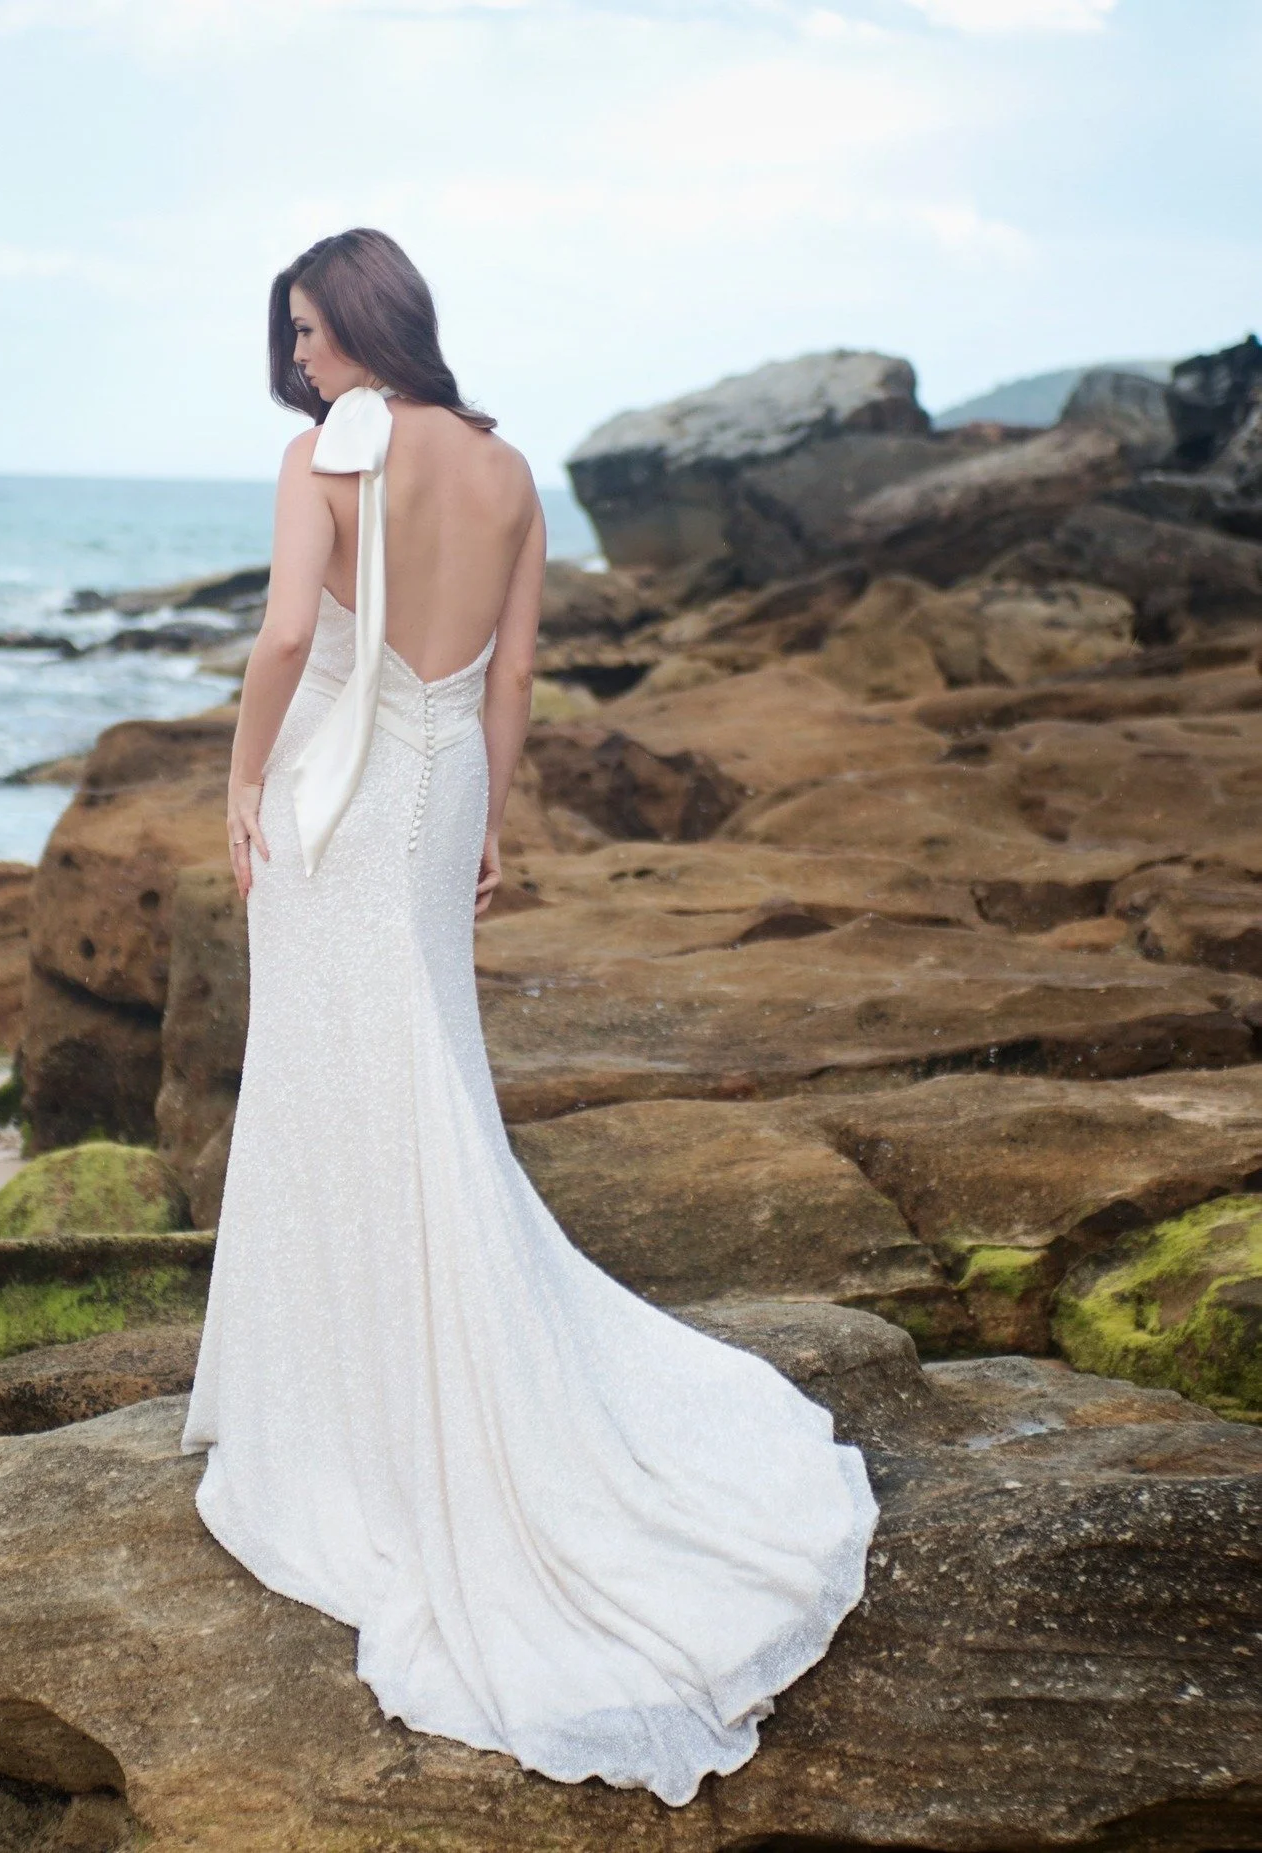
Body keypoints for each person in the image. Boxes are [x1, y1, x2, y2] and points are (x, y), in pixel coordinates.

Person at [179, 226, 878, 1808]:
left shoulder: (326, 453)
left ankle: (368, 1408)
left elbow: (290, 638)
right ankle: (403, 1361)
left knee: (343, 1077)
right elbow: (507, 688)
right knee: (415, 1065)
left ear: (364, 325)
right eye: (292, 338)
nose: (299, 360)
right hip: (433, 791)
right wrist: (491, 822)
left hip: (336, 796)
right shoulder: (506, 478)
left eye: (308, 330)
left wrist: (236, 782)